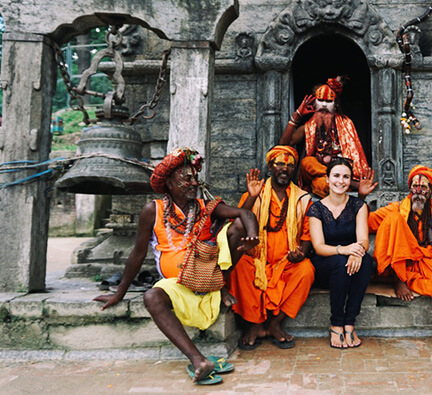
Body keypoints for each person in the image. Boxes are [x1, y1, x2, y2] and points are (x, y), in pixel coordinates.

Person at [94, 147, 260, 384]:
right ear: (170, 184)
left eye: (195, 178)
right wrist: (119, 293)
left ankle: (221, 285)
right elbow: (138, 253)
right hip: (177, 285)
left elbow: (245, 213)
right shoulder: (153, 210)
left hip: (207, 278)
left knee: (238, 228)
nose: (194, 183)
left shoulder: (205, 207)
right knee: (151, 297)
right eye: (186, 179)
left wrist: (252, 235)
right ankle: (198, 360)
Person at [228, 145, 315, 350]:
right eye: (280, 164)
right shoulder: (256, 193)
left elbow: (308, 235)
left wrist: (301, 253)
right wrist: (251, 196)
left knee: (307, 270)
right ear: (270, 167)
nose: (285, 168)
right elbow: (236, 224)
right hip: (256, 258)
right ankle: (255, 324)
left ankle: (275, 324)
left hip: (286, 262)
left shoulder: (303, 199)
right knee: (238, 266)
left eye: (290, 165)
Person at [307, 157, 373, 348]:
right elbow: (318, 246)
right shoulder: (316, 209)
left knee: (366, 261)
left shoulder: (358, 206)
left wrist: (356, 252)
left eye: (346, 177)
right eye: (336, 176)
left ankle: (350, 322)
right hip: (325, 262)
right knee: (339, 264)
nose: (341, 181)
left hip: (352, 259)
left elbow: (363, 240)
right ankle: (336, 323)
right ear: (327, 179)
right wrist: (344, 250)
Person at [366, 165, 432, 301]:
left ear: (431, 190)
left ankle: (406, 280)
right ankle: (398, 279)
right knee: (393, 217)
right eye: (415, 186)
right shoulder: (396, 208)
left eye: (423, 187)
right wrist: (362, 196)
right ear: (410, 188)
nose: (418, 191)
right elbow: (367, 221)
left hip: (425, 260)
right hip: (401, 260)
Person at [279, 76, 369, 197]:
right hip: (322, 175)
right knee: (307, 162)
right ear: (315, 104)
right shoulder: (309, 127)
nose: (324, 105)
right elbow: (284, 144)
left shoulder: (346, 123)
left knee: (322, 184)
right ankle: (350, 183)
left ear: (335, 104)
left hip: (341, 172)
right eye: (321, 100)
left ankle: (341, 180)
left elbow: (354, 156)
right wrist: (296, 116)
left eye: (328, 101)